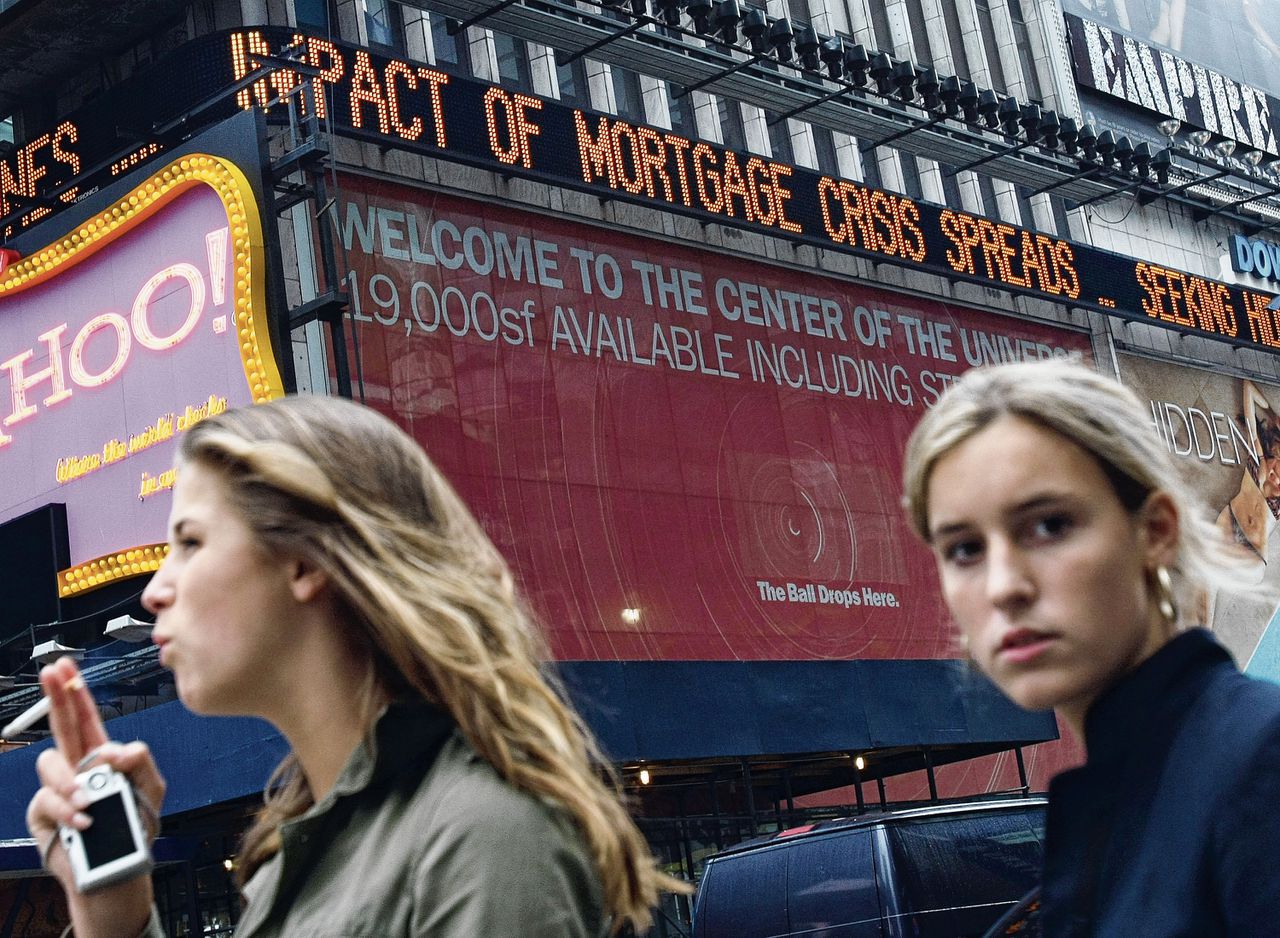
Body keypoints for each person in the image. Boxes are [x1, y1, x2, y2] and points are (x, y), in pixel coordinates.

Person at [26, 395, 686, 937]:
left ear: (306, 561)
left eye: (190, 542)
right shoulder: (290, 859)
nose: (153, 590)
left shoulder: (481, 837)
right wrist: (113, 916)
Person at [899, 357, 1280, 936]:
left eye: (1049, 525)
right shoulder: (1110, 807)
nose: (1003, 587)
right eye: (964, 549)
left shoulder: (1258, 763)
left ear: (1155, 530)